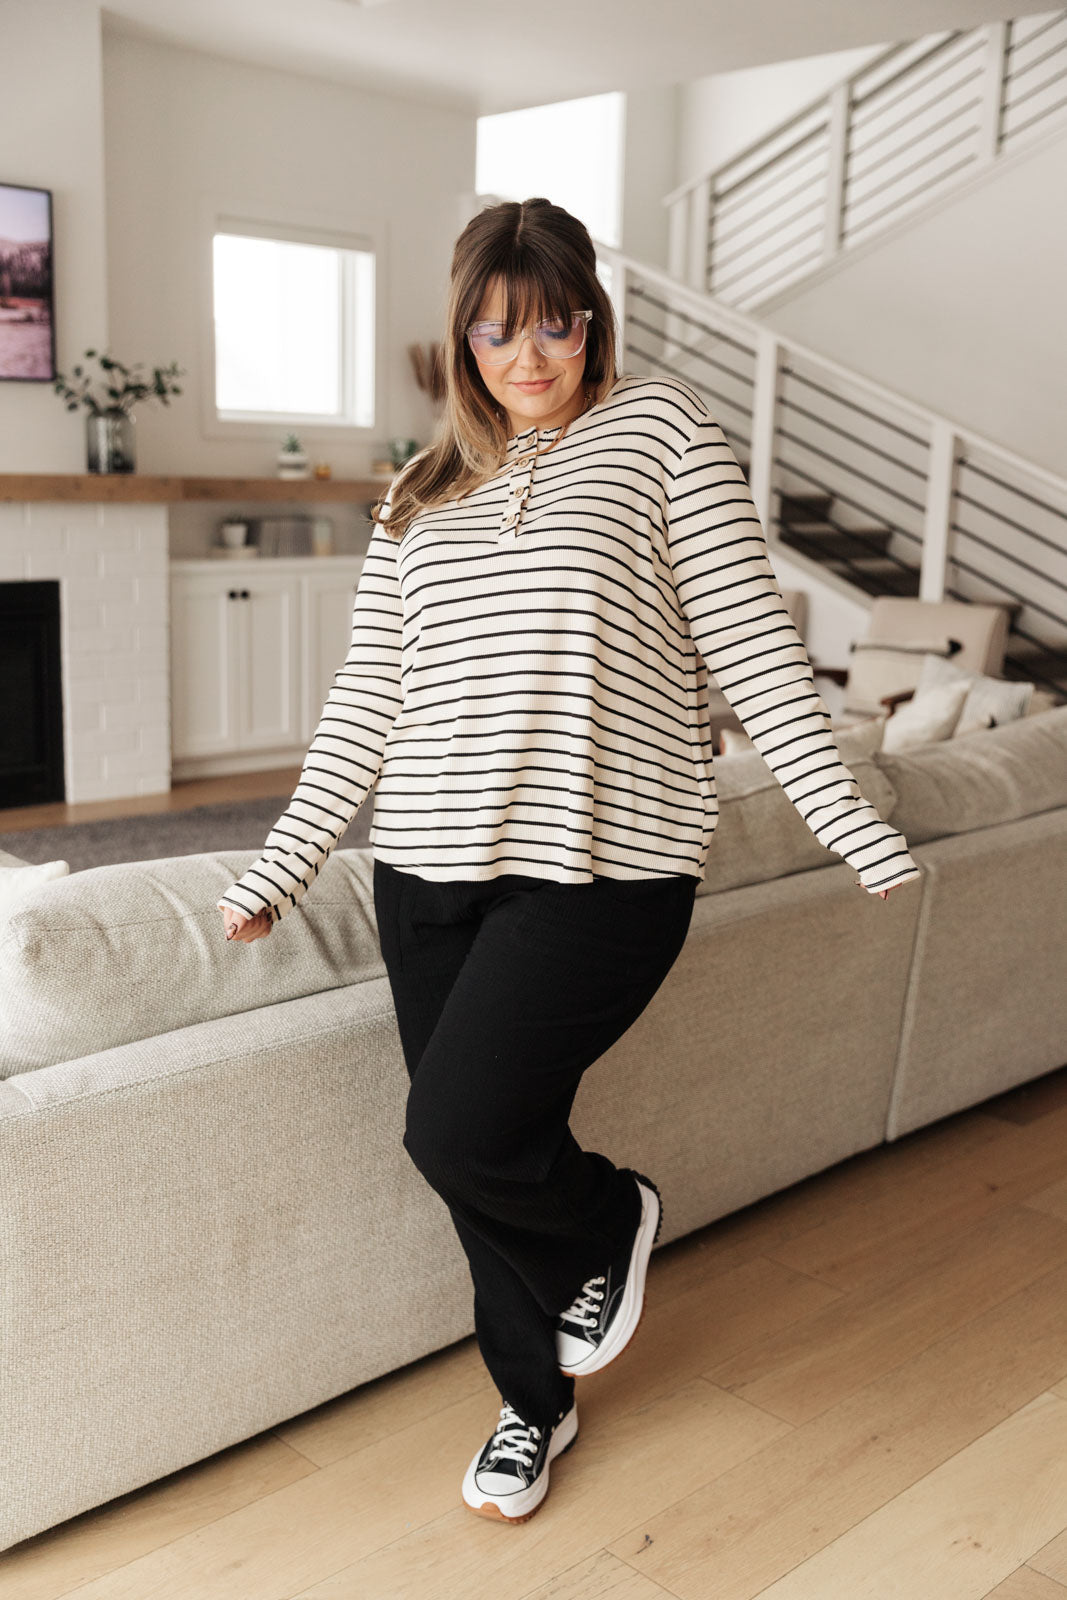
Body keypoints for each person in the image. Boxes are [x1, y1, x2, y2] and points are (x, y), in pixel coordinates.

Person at [216, 196, 922, 1524]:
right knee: (480, 1152)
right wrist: (282, 864)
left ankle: (610, 1220)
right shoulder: (418, 490)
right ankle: (530, 1407)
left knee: (456, 1129)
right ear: (462, 340)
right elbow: (368, 698)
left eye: (553, 327)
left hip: (605, 869)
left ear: (592, 322)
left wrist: (846, 818)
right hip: (425, 870)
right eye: (497, 334)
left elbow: (754, 649)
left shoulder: (664, 436)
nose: (527, 359)